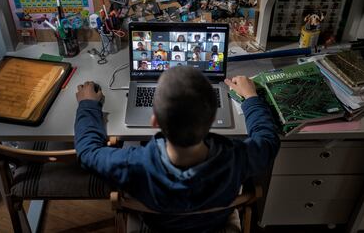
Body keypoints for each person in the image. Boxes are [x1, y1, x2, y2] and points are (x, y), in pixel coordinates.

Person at [74, 67, 279, 232]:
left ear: (154, 122)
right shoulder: (237, 158)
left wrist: (87, 105)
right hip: (213, 225)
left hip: (157, 225)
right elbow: (268, 140)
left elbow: (87, 152)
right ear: (212, 121)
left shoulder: (132, 164)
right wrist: (251, 97)